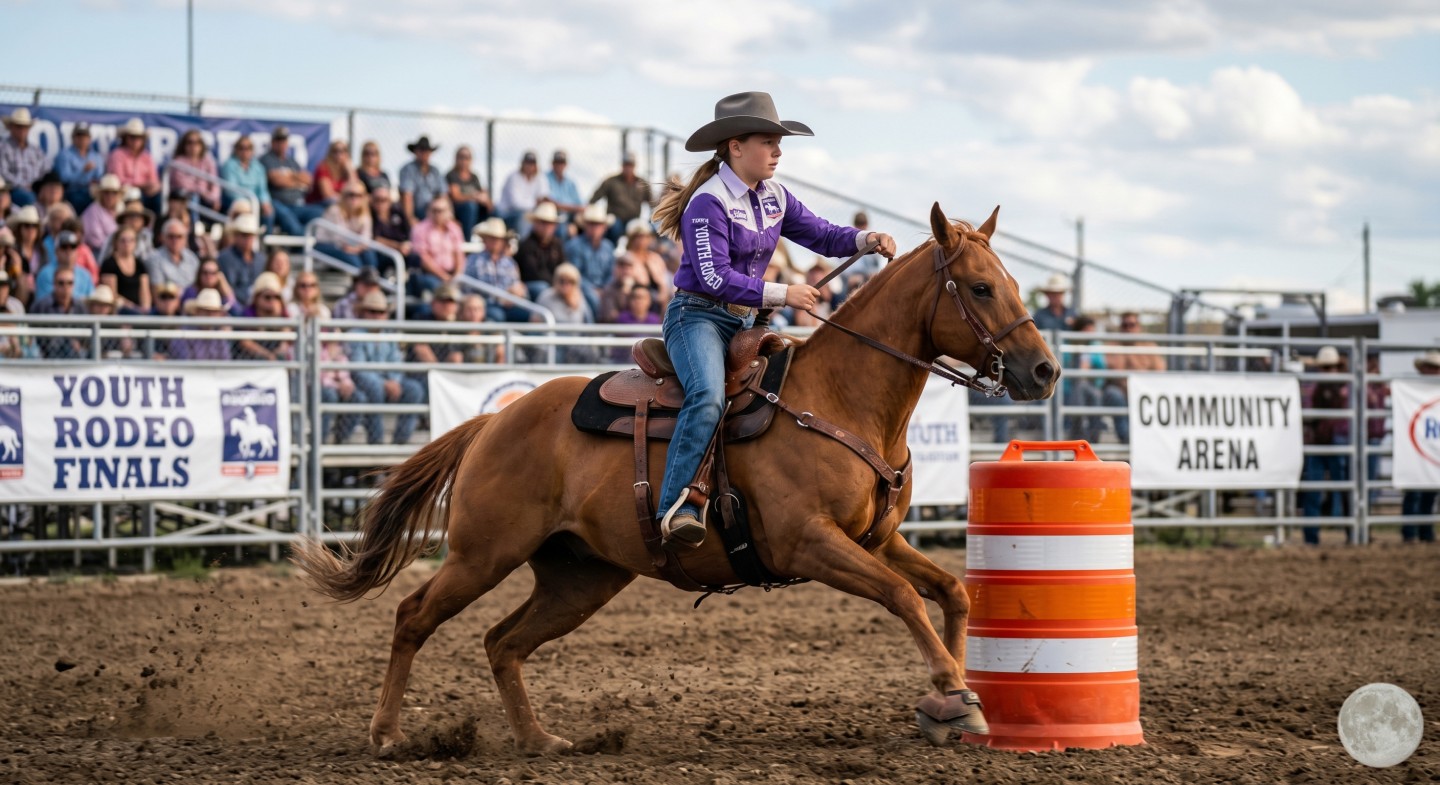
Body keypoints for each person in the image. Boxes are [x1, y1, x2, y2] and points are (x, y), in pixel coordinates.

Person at [648, 91, 897, 547]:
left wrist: (866, 238)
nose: (778, 151)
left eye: (779, 142)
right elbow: (713, 276)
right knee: (705, 395)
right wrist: (785, 293)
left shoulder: (774, 197)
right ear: (735, 146)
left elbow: (821, 233)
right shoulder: (708, 201)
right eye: (768, 141)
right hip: (697, 318)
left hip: (747, 322)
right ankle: (674, 507)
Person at [347, 290, 425, 444]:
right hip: (366, 381)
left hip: (385, 381)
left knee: (414, 389)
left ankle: (400, 442)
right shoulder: (355, 334)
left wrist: (394, 381)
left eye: (381, 312)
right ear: (363, 313)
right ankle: (376, 441)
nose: (377, 316)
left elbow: (396, 362)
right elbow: (358, 368)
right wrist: (385, 383)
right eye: (372, 311)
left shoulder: (389, 335)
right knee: (374, 388)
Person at [1300, 346, 1351, 546]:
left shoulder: (1345, 387)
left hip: (1335, 442)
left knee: (1345, 489)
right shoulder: (1315, 388)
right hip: (1321, 442)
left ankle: (1352, 532)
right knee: (1315, 491)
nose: (1330, 371)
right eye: (1326, 367)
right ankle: (1311, 537)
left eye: (1332, 367)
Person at [1103, 312, 1164, 443]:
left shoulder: (1148, 345)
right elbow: (1113, 370)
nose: (1128, 329)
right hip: (1121, 390)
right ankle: (1127, 440)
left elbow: (1160, 370)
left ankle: (1146, 441)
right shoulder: (1113, 345)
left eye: (1132, 325)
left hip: (1143, 390)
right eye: (1125, 325)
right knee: (1113, 395)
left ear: (1138, 326)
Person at [1401, 349, 1439, 544]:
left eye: (1437, 368)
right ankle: (1410, 533)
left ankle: (1425, 531)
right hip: (1415, 445)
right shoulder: (1412, 390)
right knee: (1414, 492)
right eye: (1431, 367)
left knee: (1430, 491)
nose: (1434, 371)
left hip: (1430, 445)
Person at [464, 217, 529, 322]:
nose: (495, 241)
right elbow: (471, 290)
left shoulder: (509, 263)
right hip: (486, 305)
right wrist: (503, 298)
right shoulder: (474, 260)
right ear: (484, 239)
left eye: (498, 239)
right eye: (492, 238)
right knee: (497, 315)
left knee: (529, 315)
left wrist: (518, 293)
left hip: (509, 304)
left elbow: (516, 285)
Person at [261, 125, 323, 236]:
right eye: (278, 140)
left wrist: (289, 176)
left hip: (298, 204)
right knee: (290, 221)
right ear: (273, 142)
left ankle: (309, 243)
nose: (281, 143)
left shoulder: (292, 161)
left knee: (320, 213)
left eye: (284, 140)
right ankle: (302, 242)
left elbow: (308, 179)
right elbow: (277, 181)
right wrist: (297, 179)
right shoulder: (266, 159)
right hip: (278, 203)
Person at [534, 263, 598, 364]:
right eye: (562, 281)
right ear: (556, 281)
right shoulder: (546, 297)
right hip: (552, 345)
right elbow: (535, 323)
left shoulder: (580, 298)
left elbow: (589, 324)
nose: (566, 285)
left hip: (575, 345)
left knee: (591, 353)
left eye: (570, 282)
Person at [591, 150, 653, 246]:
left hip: (634, 220)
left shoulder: (642, 183)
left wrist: (651, 220)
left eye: (630, 165)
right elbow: (594, 199)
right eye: (626, 165)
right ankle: (611, 250)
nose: (628, 168)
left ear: (634, 166)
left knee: (645, 230)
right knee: (615, 227)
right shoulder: (611, 181)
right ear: (622, 165)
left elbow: (652, 204)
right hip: (614, 219)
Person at [564, 202, 615, 316]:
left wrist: (605, 290)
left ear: (604, 227)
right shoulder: (574, 245)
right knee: (594, 299)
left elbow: (612, 273)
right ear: (585, 225)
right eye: (592, 224)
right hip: (582, 288)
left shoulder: (608, 247)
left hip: (604, 289)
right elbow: (575, 275)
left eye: (598, 224)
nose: (595, 228)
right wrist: (594, 290)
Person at [409, 196, 464, 297]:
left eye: (441, 211)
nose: (437, 214)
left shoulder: (455, 229)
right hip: (428, 274)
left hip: (451, 274)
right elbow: (423, 258)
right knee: (443, 293)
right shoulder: (419, 229)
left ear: (449, 212)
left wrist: (457, 275)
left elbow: (459, 254)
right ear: (428, 211)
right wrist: (444, 277)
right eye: (434, 210)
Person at [29, 265, 88, 358]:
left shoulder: (80, 308)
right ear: (54, 284)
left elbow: (86, 337)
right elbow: (32, 337)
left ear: (74, 285)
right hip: (46, 357)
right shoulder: (41, 307)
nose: (65, 287)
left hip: (76, 358)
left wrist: (80, 345)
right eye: (61, 283)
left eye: (70, 283)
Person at [105, 118, 161, 214]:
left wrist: (154, 186)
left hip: (146, 193)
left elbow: (154, 179)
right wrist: (143, 185)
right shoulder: (117, 154)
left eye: (139, 137)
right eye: (132, 137)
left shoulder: (147, 157)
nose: (136, 140)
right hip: (125, 193)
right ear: (126, 138)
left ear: (143, 140)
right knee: (135, 195)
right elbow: (118, 180)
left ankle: (154, 226)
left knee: (158, 198)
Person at [316, 179, 376, 269]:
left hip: (350, 246)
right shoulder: (335, 210)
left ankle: (371, 280)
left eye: (359, 195)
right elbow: (338, 238)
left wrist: (357, 248)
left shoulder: (365, 214)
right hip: (327, 245)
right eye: (351, 194)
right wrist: (356, 247)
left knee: (369, 255)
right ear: (344, 196)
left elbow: (366, 238)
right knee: (354, 260)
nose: (354, 198)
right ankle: (361, 281)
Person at [219, 135, 274, 231]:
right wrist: (250, 203)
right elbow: (231, 191)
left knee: (269, 211)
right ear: (236, 149)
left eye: (248, 148)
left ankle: (264, 241)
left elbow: (262, 190)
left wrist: (264, 202)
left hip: (254, 202)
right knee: (244, 208)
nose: (245, 151)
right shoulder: (229, 165)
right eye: (241, 148)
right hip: (235, 201)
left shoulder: (258, 168)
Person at [615, 218, 672, 309]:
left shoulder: (655, 257)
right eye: (638, 237)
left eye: (645, 237)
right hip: (635, 295)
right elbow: (625, 284)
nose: (641, 240)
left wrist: (663, 293)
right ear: (631, 239)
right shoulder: (625, 258)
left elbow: (664, 280)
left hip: (657, 295)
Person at [235, 272, 293, 362]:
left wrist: (276, 313)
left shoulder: (283, 315)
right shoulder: (247, 314)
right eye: (267, 297)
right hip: (252, 361)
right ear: (257, 298)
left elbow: (286, 339)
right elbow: (245, 342)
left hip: (275, 359)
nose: (272, 300)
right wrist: (268, 355)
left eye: (277, 297)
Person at [514, 202, 565, 300]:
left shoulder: (557, 244)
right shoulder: (526, 246)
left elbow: (563, 266)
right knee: (543, 288)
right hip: (531, 286)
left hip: (553, 285)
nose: (547, 227)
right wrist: (557, 284)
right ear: (535, 223)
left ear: (555, 226)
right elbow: (534, 274)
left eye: (550, 223)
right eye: (543, 222)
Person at [495, 150, 549, 238]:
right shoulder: (513, 177)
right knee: (525, 218)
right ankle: (525, 247)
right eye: (528, 163)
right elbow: (516, 204)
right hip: (507, 215)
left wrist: (538, 203)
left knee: (547, 221)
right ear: (522, 164)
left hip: (531, 214)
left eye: (532, 163)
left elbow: (544, 198)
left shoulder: (541, 178)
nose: (530, 166)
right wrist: (536, 203)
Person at [169, 288, 232, 361]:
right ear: (197, 312)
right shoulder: (183, 334)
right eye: (206, 311)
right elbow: (186, 364)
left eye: (214, 312)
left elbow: (225, 361)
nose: (210, 315)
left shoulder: (219, 336)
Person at [55, 122, 106, 212]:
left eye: (85, 136)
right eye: (79, 136)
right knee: (81, 200)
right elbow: (64, 179)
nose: (82, 139)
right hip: (73, 191)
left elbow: (100, 176)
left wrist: (96, 180)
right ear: (73, 138)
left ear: (89, 139)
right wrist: (83, 172)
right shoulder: (65, 155)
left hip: (93, 191)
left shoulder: (96, 156)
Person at [217, 213, 267, 303]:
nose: (248, 239)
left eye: (251, 235)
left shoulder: (261, 260)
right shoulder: (224, 258)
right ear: (235, 236)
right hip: (232, 306)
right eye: (244, 235)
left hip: (257, 308)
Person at [99, 227, 151, 312]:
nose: (127, 244)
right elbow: (112, 294)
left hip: (138, 310)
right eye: (123, 240)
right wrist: (133, 308)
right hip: (119, 309)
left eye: (131, 240)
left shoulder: (140, 264)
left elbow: (145, 292)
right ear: (116, 243)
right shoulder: (109, 264)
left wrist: (145, 309)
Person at [0, 108, 45, 206]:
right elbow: (3, 173)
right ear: (11, 127)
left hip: (35, 189)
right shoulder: (3, 147)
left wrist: (38, 186)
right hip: (13, 190)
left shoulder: (35, 150)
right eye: (18, 127)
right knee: (29, 199)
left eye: (25, 127)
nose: (22, 130)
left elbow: (44, 170)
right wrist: (23, 185)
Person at [398, 135, 445, 227]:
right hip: (418, 210)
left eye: (426, 150)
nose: (424, 153)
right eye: (421, 150)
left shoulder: (435, 171)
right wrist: (410, 218)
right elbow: (407, 196)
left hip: (435, 210)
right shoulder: (408, 170)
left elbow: (443, 195)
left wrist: (449, 216)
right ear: (416, 152)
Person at [34, 230, 94, 301]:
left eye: (72, 247)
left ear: (77, 251)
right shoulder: (45, 274)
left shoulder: (85, 275)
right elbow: (46, 304)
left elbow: (91, 301)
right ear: (56, 251)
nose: (68, 251)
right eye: (64, 247)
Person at [169, 129, 222, 211]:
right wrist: (202, 192)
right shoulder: (178, 162)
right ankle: (194, 223)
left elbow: (214, 182)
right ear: (184, 145)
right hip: (186, 197)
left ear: (202, 145)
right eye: (190, 142)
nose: (193, 146)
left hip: (206, 197)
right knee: (194, 198)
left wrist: (214, 198)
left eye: (197, 142)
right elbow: (183, 184)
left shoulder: (208, 160)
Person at [446, 145, 491, 238]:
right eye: (461, 157)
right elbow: (455, 196)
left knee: (495, 211)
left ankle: (492, 240)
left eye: (467, 158)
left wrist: (485, 200)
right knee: (470, 206)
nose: (464, 160)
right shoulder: (452, 175)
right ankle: (467, 239)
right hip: (458, 210)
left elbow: (482, 192)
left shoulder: (474, 177)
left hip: (475, 210)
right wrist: (474, 197)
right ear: (456, 158)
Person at [146, 219, 201, 291]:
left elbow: (199, 285)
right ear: (163, 237)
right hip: (167, 299)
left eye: (179, 236)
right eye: (171, 236)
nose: (175, 240)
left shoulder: (192, 258)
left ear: (185, 238)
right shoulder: (154, 258)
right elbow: (157, 290)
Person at [81, 173, 123, 255]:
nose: (110, 196)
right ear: (101, 194)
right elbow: (95, 240)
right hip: (97, 253)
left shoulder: (120, 210)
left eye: (113, 193)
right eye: (106, 192)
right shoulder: (93, 211)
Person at [544, 150, 583, 233]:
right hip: (552, 215)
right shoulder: (544, 178)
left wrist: (563, 206)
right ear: (552, 164)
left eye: (562, 163)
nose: (560, 165)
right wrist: (571, 208)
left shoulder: (571, 183)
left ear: (566, 165)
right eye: (557, 162)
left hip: (570, 216)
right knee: (562, 229)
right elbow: (550, 203)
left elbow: (580, 205)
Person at [458, 293, 504, 363]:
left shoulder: (491, 328)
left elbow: (500, 350)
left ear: (483, 311)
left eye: (477, 309)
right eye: (469, 309)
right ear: (462, 311)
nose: (474, 313)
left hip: (490, 368)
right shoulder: (457, 328)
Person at [307, 139, 354, 207]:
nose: (339, 154)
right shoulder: (323, 167)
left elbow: (355, 190)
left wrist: (350, 171)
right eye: (335, 151)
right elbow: (328, 195)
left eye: (343, 150)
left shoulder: (348, 170)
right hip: (319, 204)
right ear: (330, 153)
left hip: (341, 203)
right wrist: (348, 199)